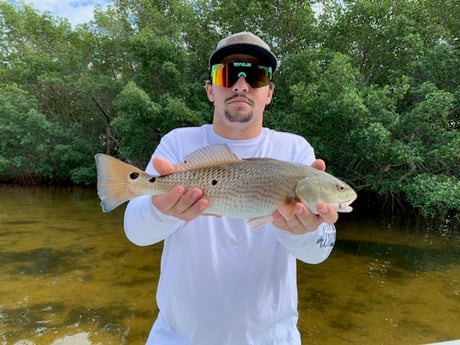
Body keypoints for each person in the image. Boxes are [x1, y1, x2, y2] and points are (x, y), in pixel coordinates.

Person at [124, 32, 339, 345]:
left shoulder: (295, 151)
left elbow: (319, 252)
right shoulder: (177, 142)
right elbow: (135, 231)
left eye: (256, 75)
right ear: (210, 89)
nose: (241, 85)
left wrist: (302, 231)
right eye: (228, 73)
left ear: (269, 93)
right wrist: (161, 210)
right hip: (177, 338)